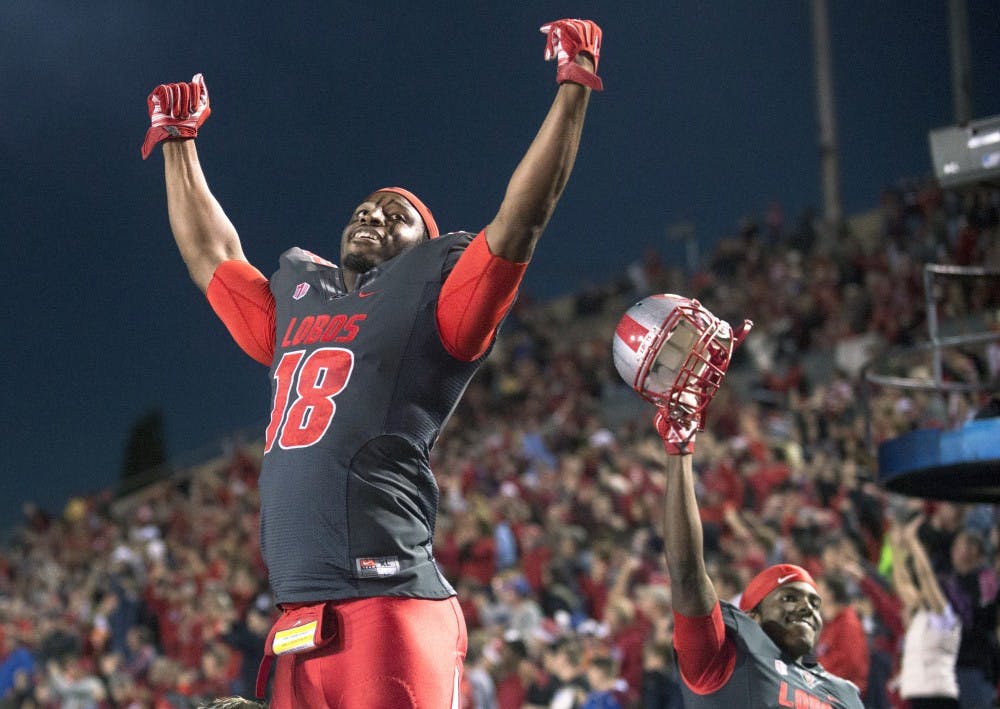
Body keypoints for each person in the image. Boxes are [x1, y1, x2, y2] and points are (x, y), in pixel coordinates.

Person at [142, 17, 603, 709]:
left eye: (396, 214)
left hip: (389, 605)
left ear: (427, 240)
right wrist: (180, 144)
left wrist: (572, 87)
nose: (373, 215)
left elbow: (521, 220)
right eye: (365, 208)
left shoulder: (439, 298)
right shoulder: (300, 300)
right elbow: (214, 256)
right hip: (298, 621)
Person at [642, 303, 864, 706]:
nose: (807, 609)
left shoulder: (846, 694)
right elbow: (688, 575)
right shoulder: (728, 655)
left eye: (814, 603)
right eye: (791, 598)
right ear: (753, 616)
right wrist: (679, 451)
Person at [891, 513, 961, 709]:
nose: (916, 593)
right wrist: (896, 548)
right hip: (917, 696)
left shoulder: (944, 617)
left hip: (939, 697)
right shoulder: (919, 617)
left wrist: (913, 543)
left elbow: (926, 576)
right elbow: (902, 583)